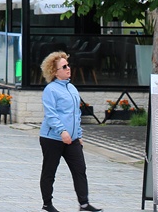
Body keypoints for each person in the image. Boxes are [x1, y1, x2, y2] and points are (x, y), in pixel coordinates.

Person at [39, 52, 102, 212]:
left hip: (72, 139)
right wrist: (62, 131)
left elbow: (76, 113)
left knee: (80, 169)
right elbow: (51, 114)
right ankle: (47, 204)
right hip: (52, 138)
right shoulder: (50, 90)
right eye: (64, 66)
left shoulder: (72, 88)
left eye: (68, 65)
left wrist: (78, 135)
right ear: (54, 71)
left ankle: (84, 204)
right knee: (49, 171)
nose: (69, 68)